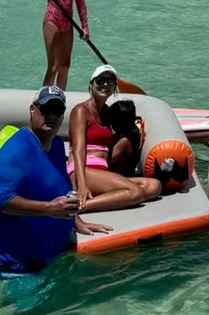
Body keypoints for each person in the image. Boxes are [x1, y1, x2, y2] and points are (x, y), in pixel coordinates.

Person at [0, 87, 111, 276]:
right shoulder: (18, 148)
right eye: (46, 109)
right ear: (33, 110)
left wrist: (75, 219)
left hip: (48, 261)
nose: (52, 116)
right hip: (13, 269)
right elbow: (0, 201)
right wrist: (49, 208)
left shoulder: (56, 145)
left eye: (57, 111)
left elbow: (58, 189)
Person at [67, 66, 163, 210]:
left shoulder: (107, 113)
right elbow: (78, 150)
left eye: (110, 81)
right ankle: (80, 207)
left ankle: (104, 198)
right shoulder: (81, 111)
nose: (105, 85)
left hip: (102, 173)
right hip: (82, 170)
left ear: (114, 87)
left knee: (154, 186)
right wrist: (81, 184)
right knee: (135, 192)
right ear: (90, 84)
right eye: (100, 81)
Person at [19, 0, 88, 90]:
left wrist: (85, 27)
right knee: (54, 66)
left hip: (68, 23)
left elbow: (80, 3)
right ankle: (44, 100)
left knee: (65, 65)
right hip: (52, 21)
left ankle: (61, 98)